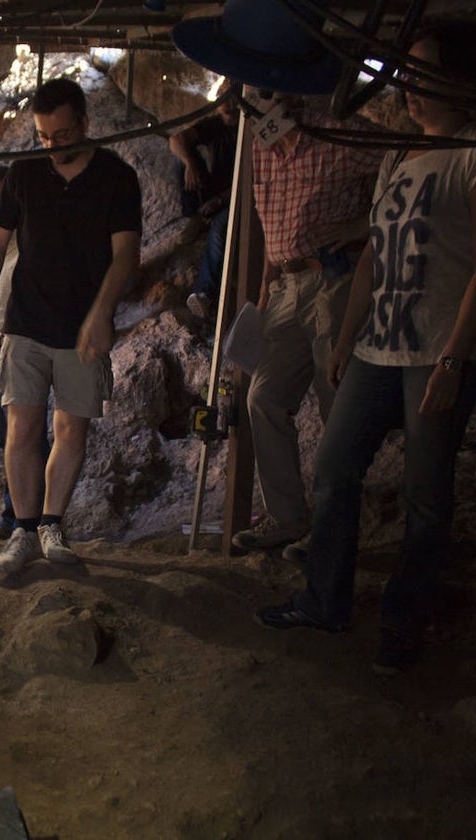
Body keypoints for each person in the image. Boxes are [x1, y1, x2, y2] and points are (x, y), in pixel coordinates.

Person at [255, 22, 476, 675]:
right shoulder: (395, 159)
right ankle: (326, 600)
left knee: (426, 495)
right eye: (405, 75)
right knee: (335, 468)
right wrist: (347, 335)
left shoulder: (469, 154)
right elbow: (376, 254)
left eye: (424, 75)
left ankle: (405, 622)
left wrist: (455, 358)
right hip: (381, 345)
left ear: (461, 81)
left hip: (437, 347)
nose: (411, 90)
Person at [0, 77, 142, 572]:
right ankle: (22, 531)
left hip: (81, 326)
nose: (51, 147)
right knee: (20, 429)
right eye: (43, 137)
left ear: (84, 124)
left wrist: (102, 314)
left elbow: (126, 253)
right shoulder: (25, 174)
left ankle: (50, 525)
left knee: (70, 428)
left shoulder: (116, 178)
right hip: (24, 320)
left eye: (61, 136)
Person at [230, 93, 384, 555]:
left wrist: (366, 223)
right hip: (285, 285)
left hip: (332, 279)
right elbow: (269, 222)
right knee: (263, 398)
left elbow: (408, 167)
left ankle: (334, 531)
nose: (253, 113)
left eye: (260, 100)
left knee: (334, 401)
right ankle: (289, 518)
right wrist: (264, 287)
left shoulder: (336, 132)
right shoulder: (260, 141)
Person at [0, 165, 50, 542]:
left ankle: (34, 522)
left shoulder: (36, 230)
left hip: (21, 337)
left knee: (26, 435)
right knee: (11, 438)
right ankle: (20, 518)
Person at [168, 99, 240, 319]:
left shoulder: (250, 129)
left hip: (239, 195)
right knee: (183, 162)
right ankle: (195, 218)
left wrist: (220, 201)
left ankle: (203, 292)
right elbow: (176, 140)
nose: (225, 103)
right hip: (216, 192)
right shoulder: (216, 124)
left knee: (219, 228)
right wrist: (190, 162)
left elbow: (251, 176)